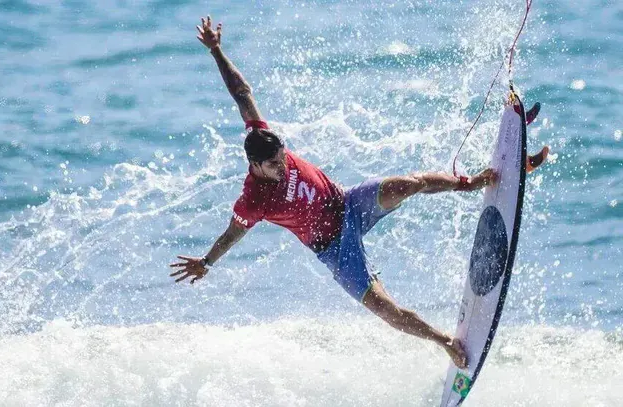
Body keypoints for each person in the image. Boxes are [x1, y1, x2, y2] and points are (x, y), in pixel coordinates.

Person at [169, 16, 549, 369]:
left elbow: (241, 92)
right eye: (273, 166)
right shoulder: (252, 200)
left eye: (284, 158)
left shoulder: (260, 134)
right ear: (255, 166)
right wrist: (207, 261)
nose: (283, 167)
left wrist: (216, 50)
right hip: (334, 247)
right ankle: (444, 342)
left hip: (349, 203)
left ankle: (478, 181)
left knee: (407, 185)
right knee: (384, 307)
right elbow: (232, 233)